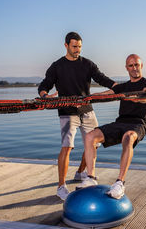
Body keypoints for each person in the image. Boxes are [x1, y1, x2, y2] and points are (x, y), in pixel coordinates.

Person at [38, 32, 116, 200]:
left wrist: (118, 86)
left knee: (93, 144)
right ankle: (61, 187)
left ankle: (81, 173)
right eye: (74, 46)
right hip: (67, 112)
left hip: (87, 110)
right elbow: (45, 85)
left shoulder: (87, 64)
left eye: (80, 46)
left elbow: (102, 78)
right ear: (66, 45)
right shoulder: (57, 66)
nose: (77, 50)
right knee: (67, 147)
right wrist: (45, 95)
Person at [76, 54, 146, 199]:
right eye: (131, 65)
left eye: (136, 65)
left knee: (128, 137)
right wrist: (88, 98)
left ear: (141, 66)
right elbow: (105, 94)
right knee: (90, 136)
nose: (134, 68)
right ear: (126, 68)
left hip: (138, 123)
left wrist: (136, 97)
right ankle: (91, 177)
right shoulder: (122, 87)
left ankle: (120, 183)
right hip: (120, 122)